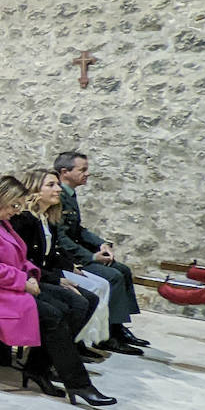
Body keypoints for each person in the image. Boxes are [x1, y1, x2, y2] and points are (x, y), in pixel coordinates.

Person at [0, 175, 116, 407]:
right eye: (14, 205)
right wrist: (22, 281)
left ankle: (39, 368)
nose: (17, 211)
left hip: (6, 283)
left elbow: (19, 254)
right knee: (53, 314)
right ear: (0, 199)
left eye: (19, 205)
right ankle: (78, 383)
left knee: (78, 303)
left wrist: (28, 273)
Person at [53, 151, 148, 354]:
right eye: (83, 170)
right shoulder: (58, 196)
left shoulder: (69, 193)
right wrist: (90, 257)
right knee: (112, 276)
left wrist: (101, 244)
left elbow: (78, 230)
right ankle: (106, 336)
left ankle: (117, 327)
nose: (87, 174)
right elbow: (61, 239)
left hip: (76, 253)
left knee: (122, 269)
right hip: (68, 259)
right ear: (65, 172)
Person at [10, 169, 112, 353]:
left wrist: (69, 268)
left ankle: (67, 349)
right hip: (30, 278)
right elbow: (24, 261)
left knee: (91, 296)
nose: (58, 189)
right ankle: (52, 357)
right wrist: (57, 279)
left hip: (44, 274)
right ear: (34, 189)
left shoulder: (47, 218)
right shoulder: (24, 220)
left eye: (57, 184)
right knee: (76, 302)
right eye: (51, 185)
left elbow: (51, 254)